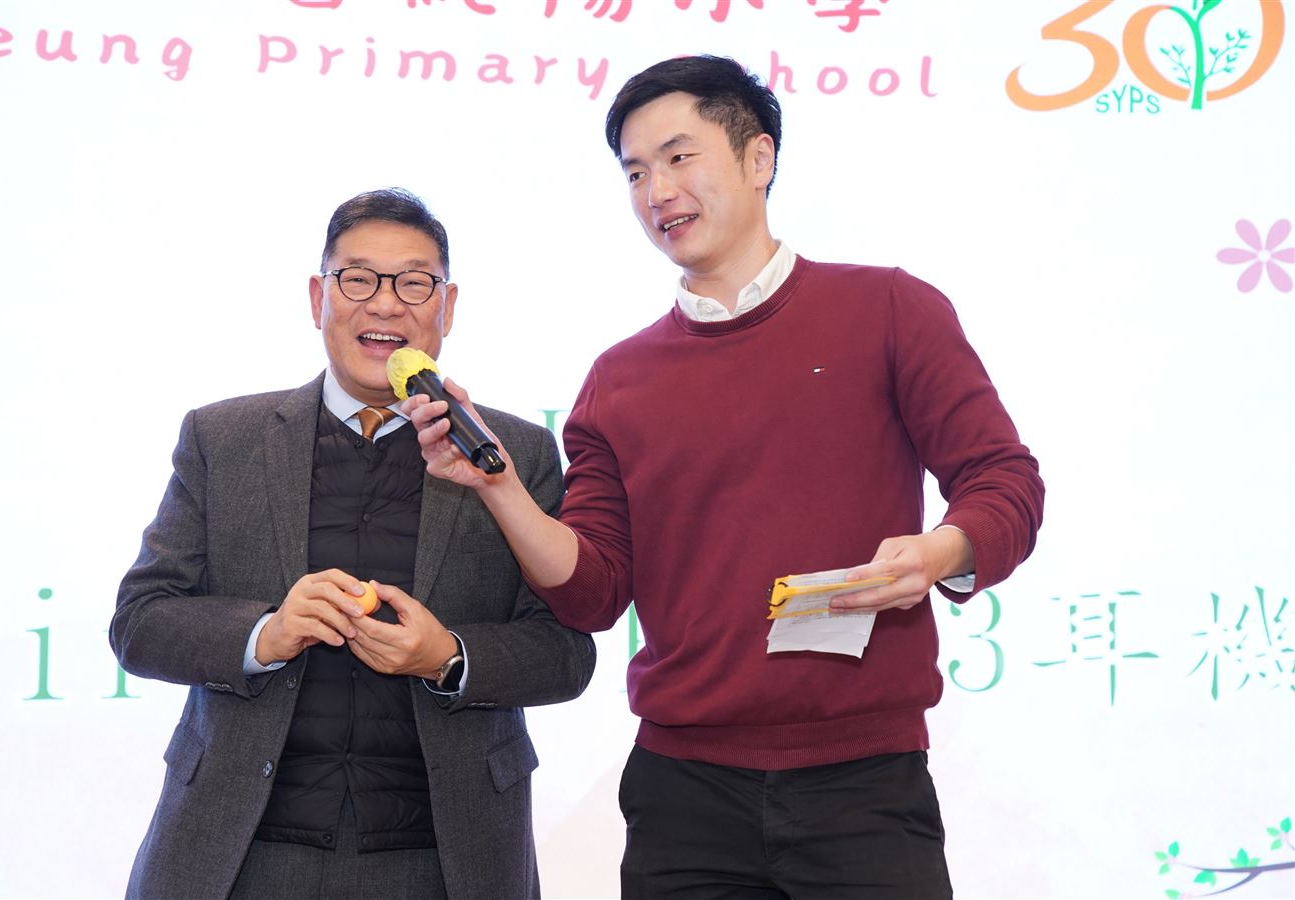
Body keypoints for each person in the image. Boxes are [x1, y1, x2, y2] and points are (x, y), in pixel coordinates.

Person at [405, 56, 1045, 898]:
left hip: (864, 784)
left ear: (757, 158)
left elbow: (1003, 478)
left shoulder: (890, 310)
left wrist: (940, 552)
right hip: (683, 796)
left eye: (678, 157)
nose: (656, 192)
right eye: (635, 173)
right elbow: (592, 592)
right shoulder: (618, 379)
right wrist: (497, 486)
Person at [110, 187, 596, 900]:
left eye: (414, 283)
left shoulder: (508, 453)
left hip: (442, 860)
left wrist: (448, 656)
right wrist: (265, 634)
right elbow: (140, 622)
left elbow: (565, 653)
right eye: (359, 279)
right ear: (319, 299)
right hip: (243, 854)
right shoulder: (223, 439)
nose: (386, 305)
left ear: (447, 307)